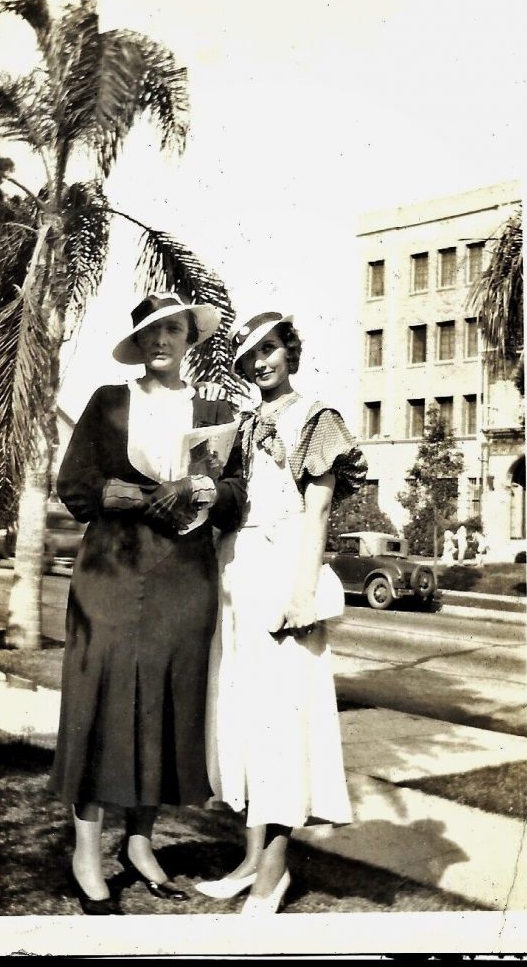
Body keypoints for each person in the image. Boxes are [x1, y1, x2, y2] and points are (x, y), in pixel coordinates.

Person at [48, 292, 245, 914]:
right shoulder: (109, 402)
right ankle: (86, 850)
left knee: (165, 699)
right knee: (101, 694)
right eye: (153, 331)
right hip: (112, 568)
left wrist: (201, 487)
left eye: (176, 330)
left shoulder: (216, 409)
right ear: (139, 341)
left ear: (191, 337)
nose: (164, 340)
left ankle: (139, 842)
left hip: (184, 578)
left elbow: (241, 494)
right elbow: (73, 484)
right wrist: (129, 496)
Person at [196, 310, 367, 914]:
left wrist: (301, 595)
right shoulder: (245, 425)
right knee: (246, 722)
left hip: (286, 573)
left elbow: (317, 514)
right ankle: (248, 863)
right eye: (250, 356)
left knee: (281, 729)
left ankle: (274, 877)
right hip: (241, 574)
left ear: (291, 352)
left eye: (271, 349)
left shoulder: (317, 419)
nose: (261, 362)